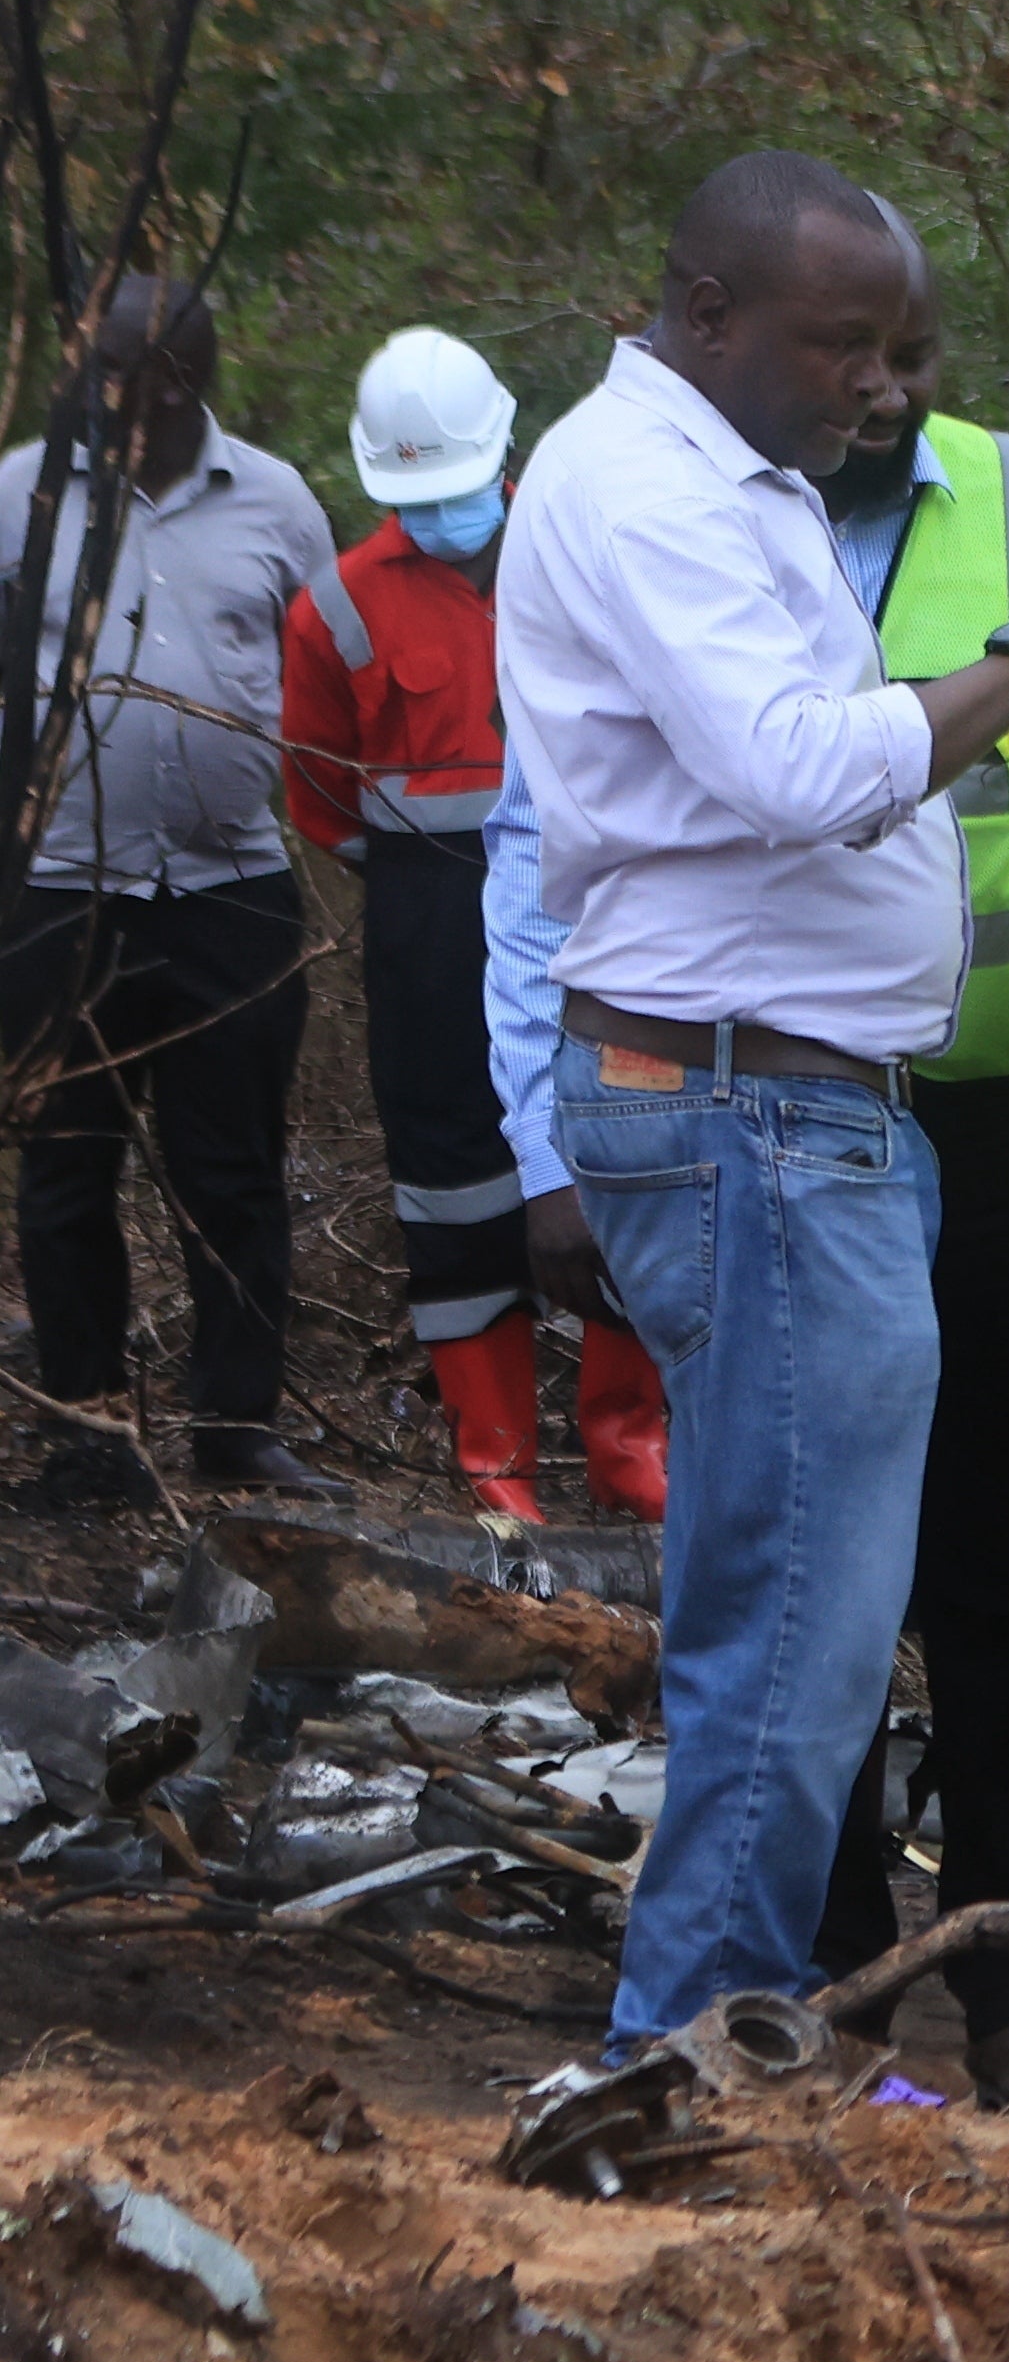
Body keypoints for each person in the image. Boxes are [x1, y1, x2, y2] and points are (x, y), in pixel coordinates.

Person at [495, 148, 1009, 2046]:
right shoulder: (640, 486)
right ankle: (685, 2067)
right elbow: (791, 766)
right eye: (838, 345)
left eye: (890, 349)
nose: (878, 384)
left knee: (796, 1623)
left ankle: (711, 2047)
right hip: (751, 1120)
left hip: (800, 1114)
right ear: (706, 317)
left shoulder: (731, 478)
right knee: (795, 1639)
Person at [0, 275, 339, 1501]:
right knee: (64, 1162)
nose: (91, 394)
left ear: (182, 381)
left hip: (230, 890)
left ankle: (235, 1427)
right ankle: (90, 1432)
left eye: (118, 376)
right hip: (59, 892)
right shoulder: (21, 490)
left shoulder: (278, 501)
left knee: (232, 1167)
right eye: (86, 370)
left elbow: (328, 661)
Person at [274, 328, 545, 1512]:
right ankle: (495, 1455)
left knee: (620, 1142)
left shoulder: (584, 543)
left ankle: (636, 1436)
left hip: (590, 899)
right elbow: (318, 787)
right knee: (450, 1171)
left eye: (459, 492)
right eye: (416, 500)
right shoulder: (335, 605)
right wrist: (419, 880)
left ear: (505, 454)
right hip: (428, 911)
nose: (443, 517)